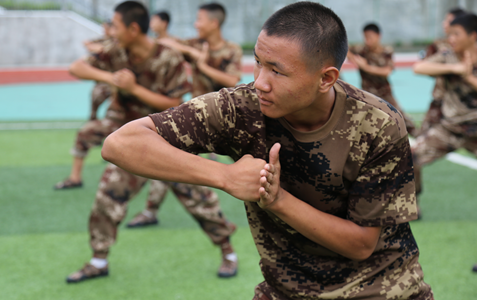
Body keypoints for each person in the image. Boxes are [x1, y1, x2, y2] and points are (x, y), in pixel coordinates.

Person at [102, 2, 433, 299]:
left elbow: (361, 244)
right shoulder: (241, 107)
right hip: (287, 290)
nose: (260, 81)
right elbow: (121, 143)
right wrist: (224, 175)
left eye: (277, 70)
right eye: (258, 63)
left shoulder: (379, 123)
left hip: (383, 290)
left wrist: (276, 200)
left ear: (326, 78)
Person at [64, 1, 238, 283]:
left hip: (169, 141)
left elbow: (173, 103)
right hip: (132, 144)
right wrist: (113, 79)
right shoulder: (116, 51)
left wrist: (134, 89)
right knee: (108, 196)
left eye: (116, 25)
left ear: (133, 28)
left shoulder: (168, 57)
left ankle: (228, 253)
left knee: (200, 201)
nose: (112, 30)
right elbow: (77, 67)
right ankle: (98, 260)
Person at [126, 2, 243, 228]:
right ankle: (151, 211)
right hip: (199, 118)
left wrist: (201, 63)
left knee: (251, 159)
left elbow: (231, 81)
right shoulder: (195, 44)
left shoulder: (231, 50)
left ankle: (275, 198)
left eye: (199, 20)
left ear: (213, 23)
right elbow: (168, 43)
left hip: (228, 118)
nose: (195, 24)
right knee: (169, 159)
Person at [413, 13, 477, 274]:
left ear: (473, 36)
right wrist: (454, 68)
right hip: (451, 128)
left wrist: (467, 76)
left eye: (456, 34)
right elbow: (420, 67)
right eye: (449, 34)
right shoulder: (448, 56)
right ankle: (412, 205)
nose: (450, 39)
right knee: (410, 157)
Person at [347, 23, 417, 136]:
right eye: (365, 37)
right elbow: (345, 49)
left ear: (378, 36)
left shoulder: (386, 51)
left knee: (399, 117)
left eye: (370, 37)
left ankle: (417, 136)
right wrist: (355, 60)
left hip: (384, 92)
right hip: (367, 93)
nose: (367, 40)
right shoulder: (362, 50)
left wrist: (366, 67)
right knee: (358, 120)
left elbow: (387, 71)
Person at [418, 8, 466, 135]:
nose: (445, 24)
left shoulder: (471, 48)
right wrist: (452, 68)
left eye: (449, 21)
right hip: (440, 100)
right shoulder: (441, 46)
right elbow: (421, 66)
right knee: (424, 138)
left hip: (465, 104)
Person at [83, 20, 115, 121]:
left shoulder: (117, 42)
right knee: (96, 93)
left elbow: (102, 49)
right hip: (106, 80)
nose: (104, 31)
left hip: (117, 81)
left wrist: (98, 49)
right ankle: (93, 117)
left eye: (106, 28)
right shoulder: (103, 40)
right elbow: (89, 44)